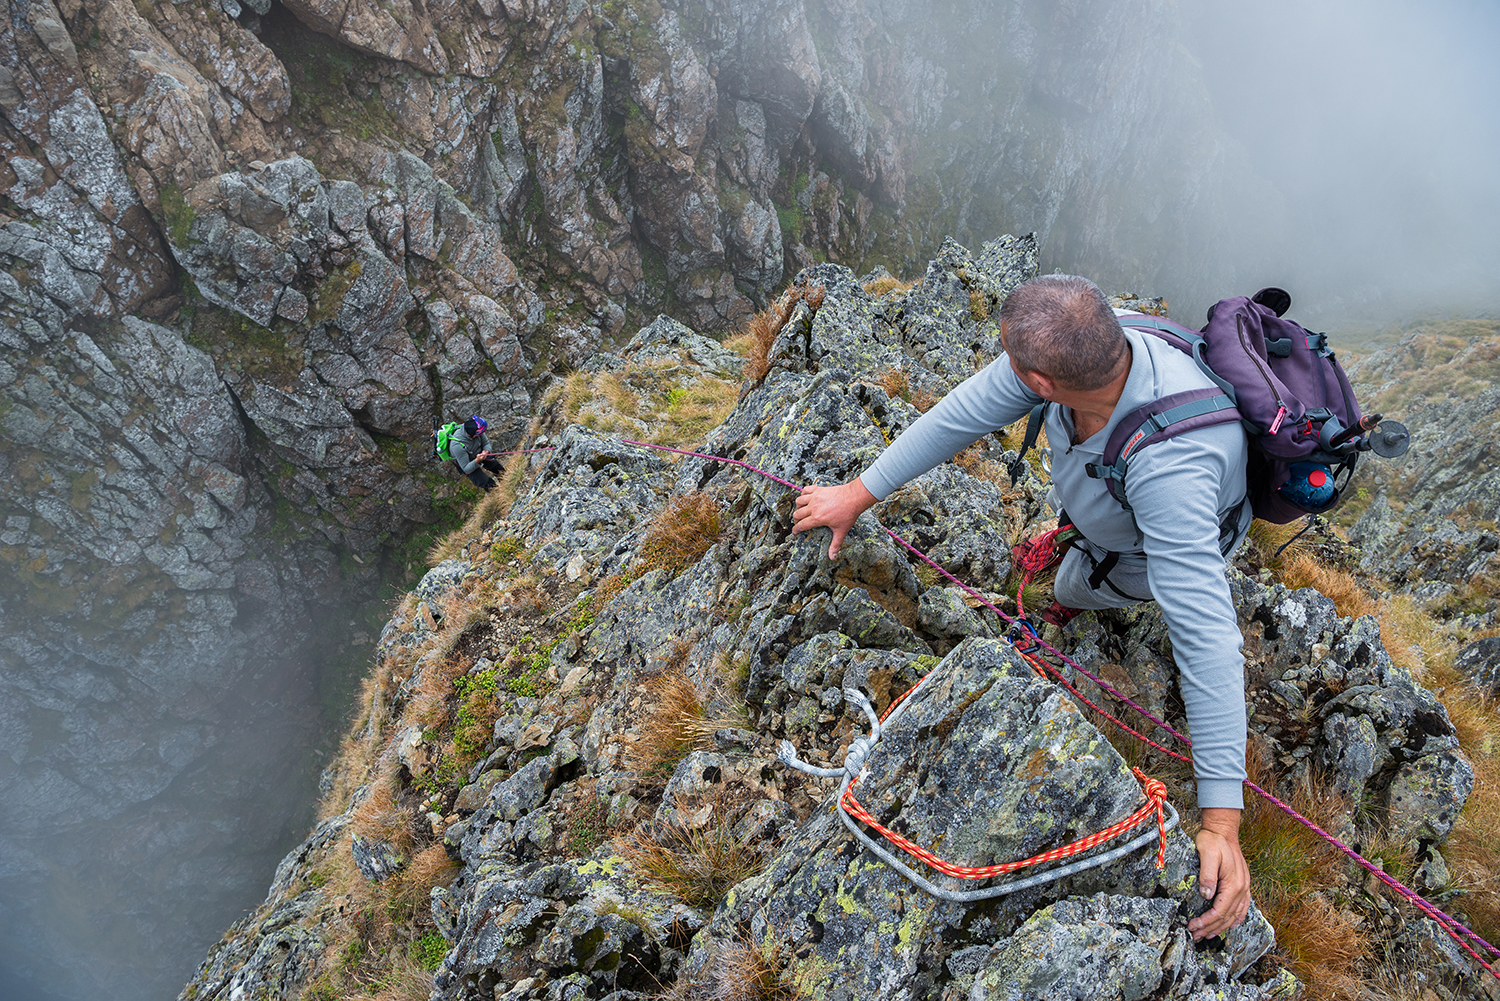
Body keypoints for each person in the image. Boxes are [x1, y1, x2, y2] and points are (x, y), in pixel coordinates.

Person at [791, 274, 1252, 943]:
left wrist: (1221, 824)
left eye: (1011, 362)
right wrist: (858, 493)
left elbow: (1208, 638)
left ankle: (1073, 579)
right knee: (1076, 544)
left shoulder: (1168, 475)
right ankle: (1076, 542)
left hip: (1155, 547)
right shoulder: (1098, 343)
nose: (1000, 370)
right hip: (1117, 505)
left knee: (1064, 590)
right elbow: (960, 415)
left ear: (1041, 382)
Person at [448, 416, 503, 490]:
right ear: (474, 434)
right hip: (466, 464)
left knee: (497, 467)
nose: (482, 434)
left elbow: (486, 443)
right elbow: (466, 469)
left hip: (478, 453)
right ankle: (497, 494)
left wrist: (486, 452)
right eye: (480, 434)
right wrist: (477, 460)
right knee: (487, 483)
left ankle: (506, 480)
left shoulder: (477, 430)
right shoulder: (457, 446)